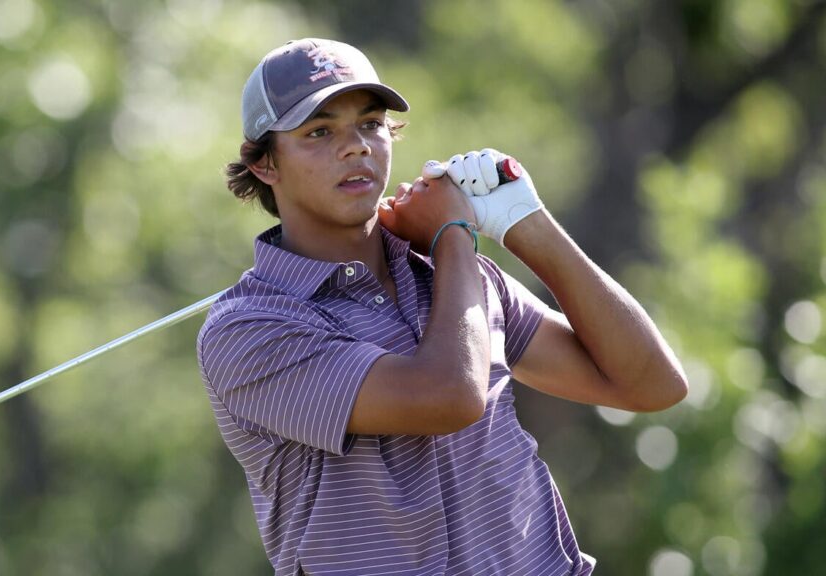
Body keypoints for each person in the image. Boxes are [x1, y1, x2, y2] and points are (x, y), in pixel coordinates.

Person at [197, 38, 688, 576]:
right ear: (266, 164)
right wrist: (455, 234)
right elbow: (449, 396)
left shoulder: (452, 276)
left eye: (371, 123)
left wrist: (529, 225)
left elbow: (651, 384)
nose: (357, 147)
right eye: (319, 132)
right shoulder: (248, 329)